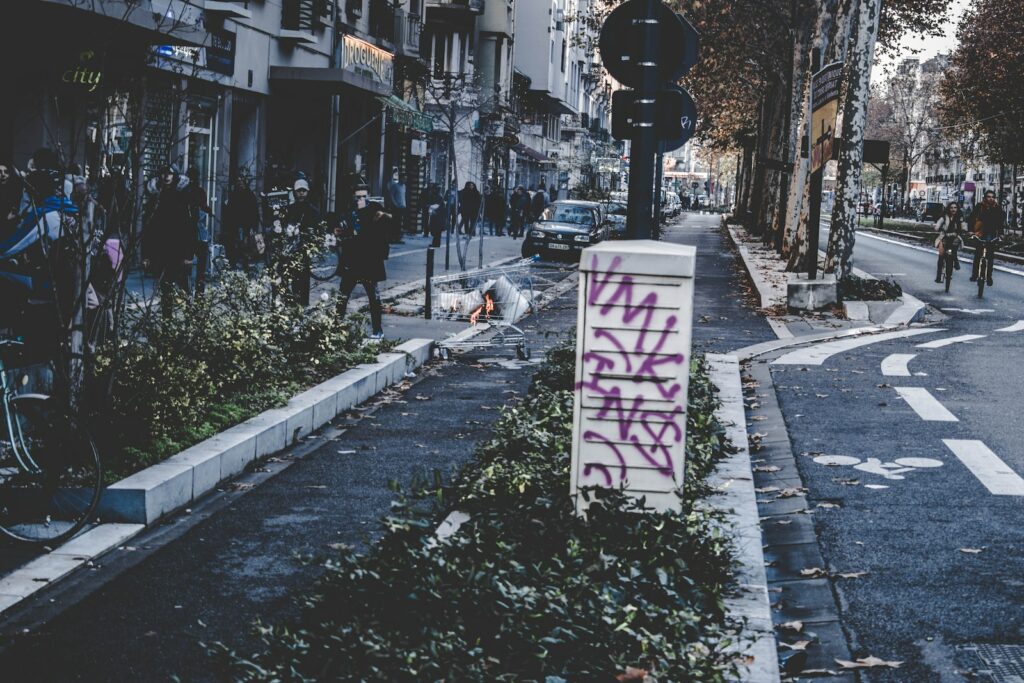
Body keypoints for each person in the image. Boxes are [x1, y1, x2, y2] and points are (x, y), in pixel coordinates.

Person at [336, 183, 390, 339]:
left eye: (364, 197)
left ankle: (377, 330)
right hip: (352, 258)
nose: (361, 200)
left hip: (369, 259)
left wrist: (383, 216)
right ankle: (335, 327)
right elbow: (341, 227)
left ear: (368, 197)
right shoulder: (349, 211)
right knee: (343, 295)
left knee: (373, 296)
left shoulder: (374, 209)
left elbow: (388, 223)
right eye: (358, 197)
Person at [143, 164, 195, 316]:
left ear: (175, 176)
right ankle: (167, 322)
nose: (166, 176)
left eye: (170, 174)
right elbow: (149, 228)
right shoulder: (155, 197)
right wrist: (146, 254)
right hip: (161, 249)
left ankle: (190, 317)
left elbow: (188, 227)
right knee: (165, 287)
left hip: (178, 249)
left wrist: (188, 255)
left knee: (183, 285)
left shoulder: (182, 196)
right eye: (164, 173)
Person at [280, 177, 321, 306]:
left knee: (304, 278)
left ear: (308, 192)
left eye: (304, 190)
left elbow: (318, 229)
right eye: (299, 191)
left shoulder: (313, 211)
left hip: (305, 249)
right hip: (290, 249)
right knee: (288, 277)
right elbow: (283, 226)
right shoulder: (289, 209)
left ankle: (303, 305)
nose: (301, 193)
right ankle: (291, 304)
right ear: (294, 192)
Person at [223, 174, 261, 271]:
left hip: (246, 226)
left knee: (245, 248)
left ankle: (245, 267)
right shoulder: (234, 195)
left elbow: (254, 212)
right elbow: (229, 211)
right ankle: (235, 266)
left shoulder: (249, 195)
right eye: (238, 181)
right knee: (234, 248)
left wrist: (254, 227)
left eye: (241, 181)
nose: (240, 183)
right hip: (234, 226)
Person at [183, 167, 212, 294]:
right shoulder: (200, 191)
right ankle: (199, 293)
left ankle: (187, 291)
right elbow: (204, 209)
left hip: (187, 234)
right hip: (199, 234)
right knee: (201, 267)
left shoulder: (184, 192)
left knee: (185, 264)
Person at [967, 190, 1004, 286]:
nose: (991, 199)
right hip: (980, 233)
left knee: (990, 256)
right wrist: (970, 230)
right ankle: (974, 275)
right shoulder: (979, 207)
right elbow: (971, 219)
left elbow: (1000, 223)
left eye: (992, 197)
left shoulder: (998, 209)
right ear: (985, 198)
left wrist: (1001, 234)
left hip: (991, 234)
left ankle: (989, 276)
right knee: (978, 255)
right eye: (989, 197)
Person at [933, 202, 963, 283]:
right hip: (944, 237)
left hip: (954, 238)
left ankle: (955, 260)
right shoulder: (944, 217)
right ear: (948, 209)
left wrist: (962, 231)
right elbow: (938, 225)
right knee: (941, 255)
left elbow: (963, 227)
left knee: (954, 250)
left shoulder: (959, 217)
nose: (953, 209)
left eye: (955, 208)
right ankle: (939, 276)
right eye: (951, 208)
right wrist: (937, 227)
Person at [0, 161, 24, 241]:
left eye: (6, 172)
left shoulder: (14, 191)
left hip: (8, 231)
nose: (3, 174)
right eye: (0, 172)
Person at [384, 170, 407, 243]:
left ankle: (397, 238)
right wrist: (395, 204)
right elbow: (391, 196)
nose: (405, 180)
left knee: (400, 223)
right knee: (395, 223)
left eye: (406, 178)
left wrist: (404, 204)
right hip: (396, 207)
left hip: (402, 207)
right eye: (404, 178)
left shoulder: (404, 186)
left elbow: (403, 196)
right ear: (400, 178)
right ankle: (393, 238)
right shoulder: (395, 186)